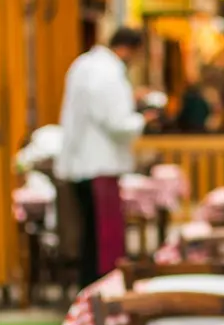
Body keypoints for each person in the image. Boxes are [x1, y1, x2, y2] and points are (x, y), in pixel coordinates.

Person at [56, 25, 156, 287]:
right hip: (100, 165)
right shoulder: (109, 73)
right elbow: (116, 122)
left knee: (88, 239)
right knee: (104, 242)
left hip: (81, 163)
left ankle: (89, 296)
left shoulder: (84, 64)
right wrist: (142, 119)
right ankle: (102, 297)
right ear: (128, 49)